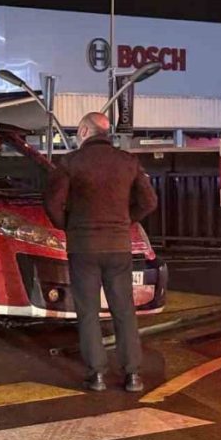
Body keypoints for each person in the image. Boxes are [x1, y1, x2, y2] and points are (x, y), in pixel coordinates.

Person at [43, 112, 158, 393]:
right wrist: (125, 220)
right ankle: (132, 375)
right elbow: (149, 202)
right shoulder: (127, 162)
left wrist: (70, 226)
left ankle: (96, 375)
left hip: (83, 247)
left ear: (84, 130)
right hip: (118, 245)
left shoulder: (70, 163)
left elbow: (52, 203)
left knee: (89, 312)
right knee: (123, 311)